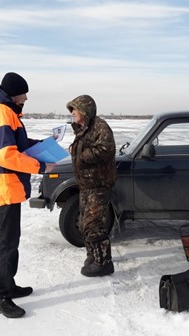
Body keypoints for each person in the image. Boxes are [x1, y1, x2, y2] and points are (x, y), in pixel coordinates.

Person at [0, 72, 54, 318]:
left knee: (11, 239)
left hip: (9, 184)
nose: (27, 98)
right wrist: (41, 166)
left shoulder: (6, 111)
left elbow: (17, 144)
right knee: (7, 242)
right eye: (24, 93)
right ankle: (0, 297)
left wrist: (42, 144)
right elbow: (4, 155)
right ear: (13, 92)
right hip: (4, 185)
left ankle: (8, 286)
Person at [67, 95, 117, 277]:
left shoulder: (100, 126)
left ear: (85, 111)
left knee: (93, 224)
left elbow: (106, 149)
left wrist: (79, 154)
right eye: (71, 110)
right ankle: (92, 256)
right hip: (86, 185)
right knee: (84, 223)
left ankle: (103, 263)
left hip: (99, 184)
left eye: (75, 109)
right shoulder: (82, 128)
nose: (72, 113)